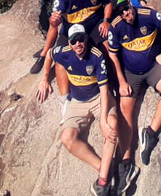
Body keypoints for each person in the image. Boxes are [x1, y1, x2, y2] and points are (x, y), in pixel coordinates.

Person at [36, 24, 118, 196]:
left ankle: (102, 181)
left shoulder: (96, 56)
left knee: (112, 125)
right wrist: (44, 78)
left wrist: (103, 120)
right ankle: (102, 167)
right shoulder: (63, 52)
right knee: (67, 138)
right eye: (74, 41)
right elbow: (49, 54)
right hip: (77, 101)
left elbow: (104, 90)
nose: (78, 44)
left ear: (86, 39)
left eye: (81, 39)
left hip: (98, 98)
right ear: (70, 43)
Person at [107, 0, 161, 186]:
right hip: (131, 73)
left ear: (131, 4)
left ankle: (150, 133)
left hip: (154, 67)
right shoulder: (116, 27)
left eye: (127, 8)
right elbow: (113, 56)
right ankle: (127, 161)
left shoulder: (148, 14)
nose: (126, 13)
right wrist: (121, 81)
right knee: (125, 109)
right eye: (121, 11)